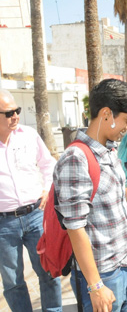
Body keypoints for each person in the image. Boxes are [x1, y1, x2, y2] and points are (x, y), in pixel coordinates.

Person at [54, 79, 127, 312]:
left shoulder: (109, 150)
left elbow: (113, 197)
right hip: (103, 272)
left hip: (126, 260)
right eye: (126, 120)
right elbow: (75, 228)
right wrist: (96, 286)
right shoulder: (76, 158)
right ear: (106, 114)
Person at [0, 89, 62, 312]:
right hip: (3, 225)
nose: (15, 116)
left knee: (48, 272)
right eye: (9, 113)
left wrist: (47, 189)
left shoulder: (28, 135)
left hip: (36, 215)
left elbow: (49, 165)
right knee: (13, 282)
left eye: (16, 111)